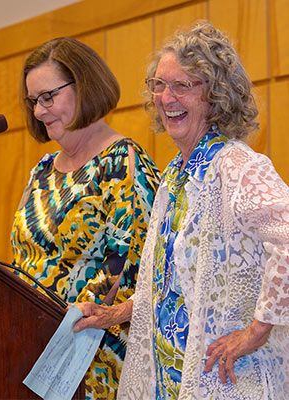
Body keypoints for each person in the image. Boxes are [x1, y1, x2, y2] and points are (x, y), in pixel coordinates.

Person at [74, 21, 289, 399]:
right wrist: (113, 315)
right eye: (159, 85)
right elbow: (172, 285)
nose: (166, 97)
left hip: (227, 382)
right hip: (170, 383)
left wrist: (256, 331)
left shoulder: (236, 166)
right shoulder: (176, 175)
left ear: (216, 94)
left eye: (182, 86)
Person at [11, 37, 160, 400]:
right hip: (27, 349)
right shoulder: (42, 172)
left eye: (49, 97)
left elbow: (121, 271)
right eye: (33, 101)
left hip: (91, 360)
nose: (39, 111)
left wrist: (51, 335)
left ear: (85, 86)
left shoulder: (124, 163)